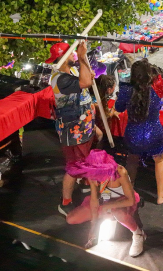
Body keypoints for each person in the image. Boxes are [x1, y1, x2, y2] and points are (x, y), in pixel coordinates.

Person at [47, 41, 103, 214]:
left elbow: (86, 81)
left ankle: (84, 180)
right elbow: (85, 83)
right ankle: (65, 202)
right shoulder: (60, 79)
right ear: (64, 57)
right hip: (74, 131)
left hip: (85, 126)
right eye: (71, 53)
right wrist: (82, 56)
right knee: (74, 167)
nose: (73, 55)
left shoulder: (70, 71)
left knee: (90, 151)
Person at [64, 149, 145, 256]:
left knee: (118, 213)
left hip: (122, 200)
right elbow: (94, 200)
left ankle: (138, 234)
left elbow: (130, 200)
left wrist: (108, 206)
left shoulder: (120, 171)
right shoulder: (92, 172)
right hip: (104, 200)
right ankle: (106, 218)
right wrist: (93, 227)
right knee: (71, 218)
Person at [115, 58, 163, 205]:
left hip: (133, 133)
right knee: (160, 160)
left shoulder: (126, 90)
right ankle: (160, 195)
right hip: (154, 133)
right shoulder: (157, 89)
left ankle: (129, 190)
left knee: (132, 160)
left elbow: (118, 108)